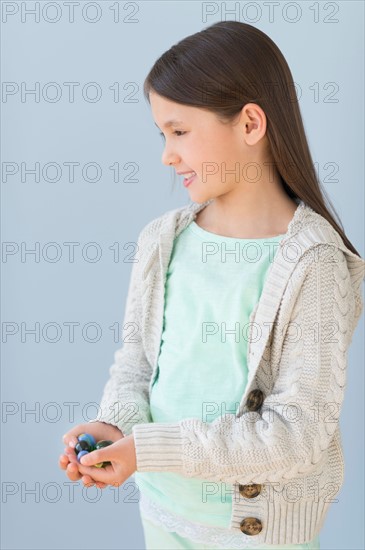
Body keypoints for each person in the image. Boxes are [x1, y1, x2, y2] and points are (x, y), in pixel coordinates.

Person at [59, 21, 365, 550]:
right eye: (163, 135)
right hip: (162, 518)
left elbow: (294, 436)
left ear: (250, 123)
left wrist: (147, 450)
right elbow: (137, 363)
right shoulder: (161, 241)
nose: (166, 154)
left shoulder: (313, 263)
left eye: (180, 131)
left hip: (258, 537)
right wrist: (118, 426)